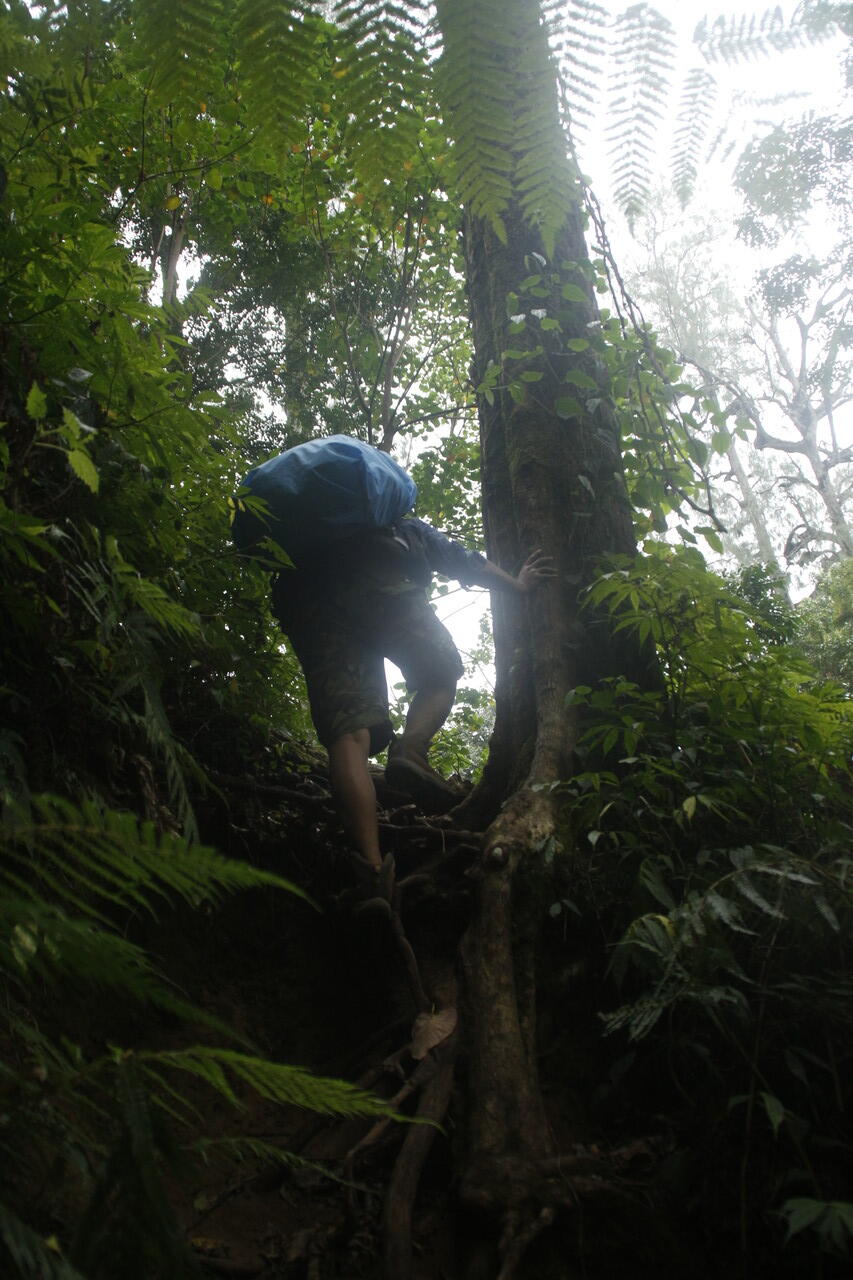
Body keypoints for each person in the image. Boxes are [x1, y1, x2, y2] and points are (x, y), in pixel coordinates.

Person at [270, 514, 553, 898]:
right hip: (384, 583)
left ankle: (371, 873)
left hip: (309, 602)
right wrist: (518, 585)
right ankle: (411, 749)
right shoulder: (390, 519)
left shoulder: (304, 533)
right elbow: (458, 558)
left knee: (348, 734)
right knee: (440, 672)